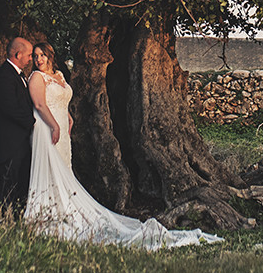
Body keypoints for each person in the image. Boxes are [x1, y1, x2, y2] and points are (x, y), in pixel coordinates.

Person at [24, 41, 221, 249]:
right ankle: (51, 211)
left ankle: (64, 206)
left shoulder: (59, 75)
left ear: (50, 55)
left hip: (62, 127)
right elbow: (39, 104)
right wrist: (54, 125)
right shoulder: (37, 77)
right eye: (35, 56)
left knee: (64, 167)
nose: (38, 59)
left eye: (42, 55)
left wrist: (68, 118)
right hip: (47, 128)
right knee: (50, 168)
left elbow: (63, 100)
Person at [0, 36, 35, 209]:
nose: (31, 59)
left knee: (20, 181)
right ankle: (6, 216)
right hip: (8, 143)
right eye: (29, 55)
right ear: (18, 54)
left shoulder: (17, 74)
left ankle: (18, 213)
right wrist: (33, 123)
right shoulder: (4, 76)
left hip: (19, 141)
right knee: (9, 183)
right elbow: (10, 108)